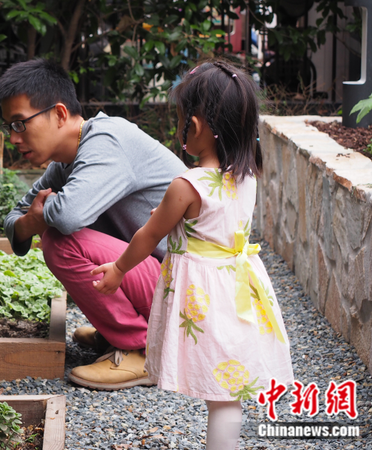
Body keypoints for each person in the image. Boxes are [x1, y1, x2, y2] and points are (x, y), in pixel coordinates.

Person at [91, 60, 294, 449]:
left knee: (218, 394)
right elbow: (214, 224)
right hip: (238, 285)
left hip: (205, 295)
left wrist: (118, 269)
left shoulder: (187, 184)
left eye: (182, 120)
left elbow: (149, 237)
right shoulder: (247, 176)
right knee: (226, 393)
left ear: (196, 127)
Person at [0, 58, 187, 390]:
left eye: (19, 123)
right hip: (159, 280)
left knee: (60, 241)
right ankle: (125, 331)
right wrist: (32, 220)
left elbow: (67, 216)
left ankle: (141, 349)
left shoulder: (108, 141)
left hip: (186, 292)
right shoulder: (65, 163)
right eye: (9, 127)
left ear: (58, 113)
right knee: (61, 230)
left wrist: (40, 217)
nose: (13, 138)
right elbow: (15, 221)